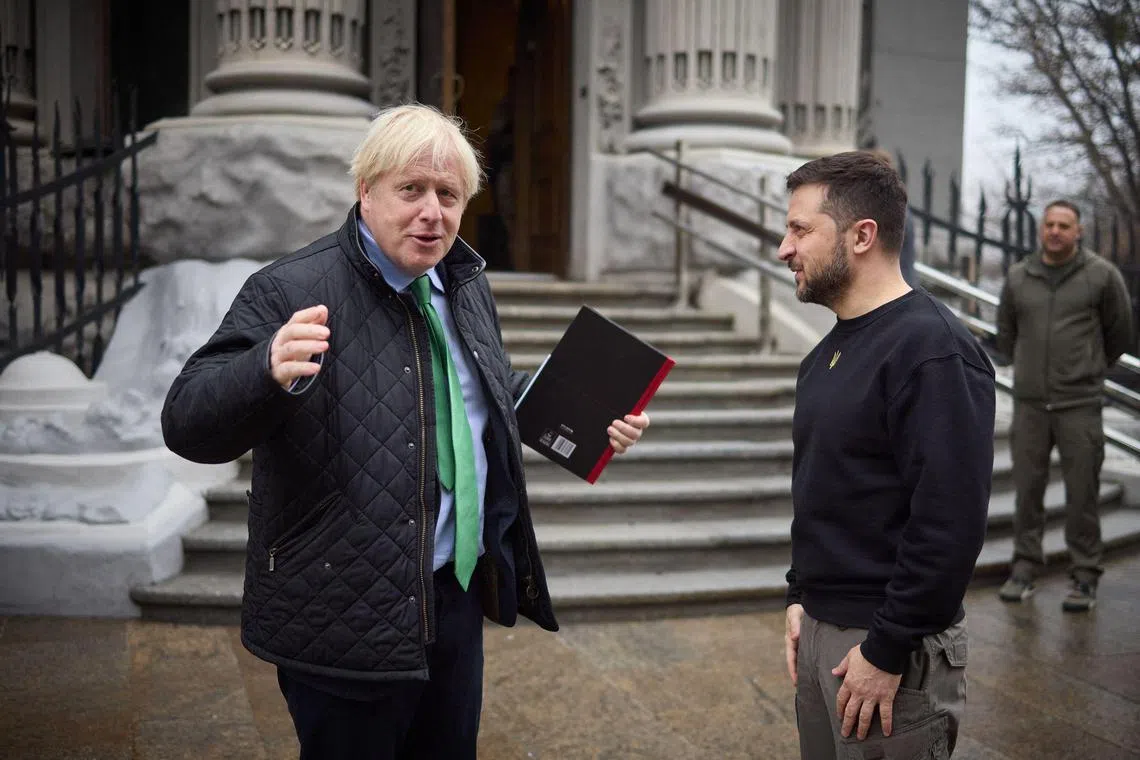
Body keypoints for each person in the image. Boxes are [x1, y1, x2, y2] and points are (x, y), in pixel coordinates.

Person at [160, 104, 650, 759]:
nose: (432, 212)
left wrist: (590, 421)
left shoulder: (464, 285)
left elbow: (478, 393)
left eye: (448, 195)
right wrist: (263, 370)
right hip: (344, 613)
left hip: (454, 601)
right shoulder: (289, 289)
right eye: (410, 190)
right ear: (365, 191)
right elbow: (186, 421)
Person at [777, 152, 995, 759]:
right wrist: (800, 598)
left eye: (799, 230)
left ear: (862, 235)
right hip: (822, 631)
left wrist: (887, 647)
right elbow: (824, 492)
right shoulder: (823, 356)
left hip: (888, 648)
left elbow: (948, 524)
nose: (782, 247)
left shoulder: (933, 351)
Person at [995, 200, 1133, 612]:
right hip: (1032, 406)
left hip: (1080, 405)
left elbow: (1120, 334)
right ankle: (1024, 569)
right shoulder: (1020, 276)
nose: (1055, 231)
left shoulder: (1102, 277)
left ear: (1079, 232)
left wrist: (1085, 370)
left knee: (1082, 495)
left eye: (1064, 225)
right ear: (1042, 230)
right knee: (1028, 493)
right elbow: (1006, 335)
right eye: (1049, 224)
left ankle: (1085, 575)